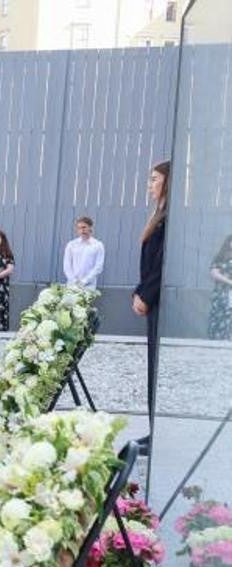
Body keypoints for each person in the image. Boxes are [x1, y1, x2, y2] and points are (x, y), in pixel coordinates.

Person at [133, 161, 169, 455]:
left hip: (158, 301)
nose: (150, 184)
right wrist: (139, 290)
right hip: (151, 298)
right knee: (151, 366)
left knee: (157, 367)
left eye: (154, 179)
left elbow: (162, 265)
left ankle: (158, 432)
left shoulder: (170, 220)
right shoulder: (159, 215)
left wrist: (145, 294)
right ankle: (153, 431)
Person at [62, 216, 105, 289]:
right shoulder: (71, 245)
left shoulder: (98, 245)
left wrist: (84, 281)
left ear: (90, 228)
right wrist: (74, 281)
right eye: (79, 228)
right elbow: (67, 266)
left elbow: (98, 267)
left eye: (84, 227)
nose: (82, 230)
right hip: (72, 286)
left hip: (89, 286)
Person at [209, 235, 232, 340]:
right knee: (218, 316)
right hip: (221, 293)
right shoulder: (222, 257)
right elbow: (214, 273)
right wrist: (229, 282)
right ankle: (216, 340)